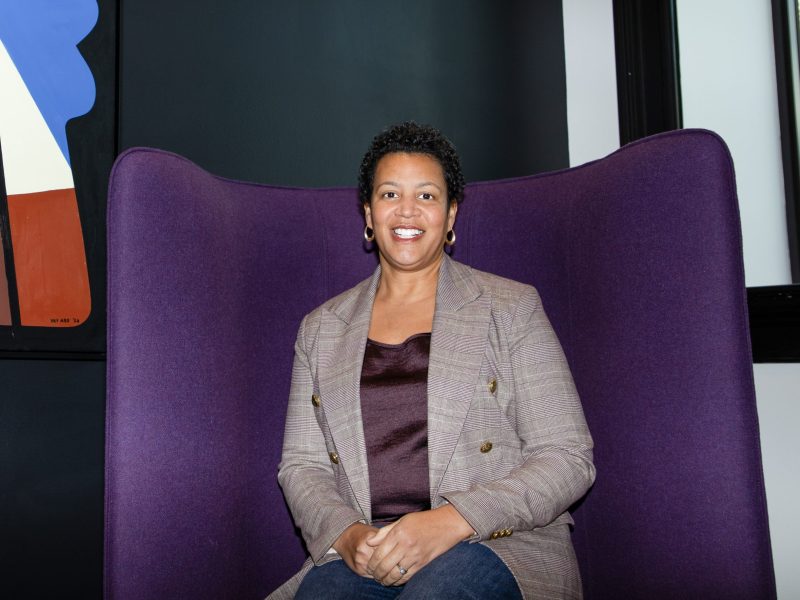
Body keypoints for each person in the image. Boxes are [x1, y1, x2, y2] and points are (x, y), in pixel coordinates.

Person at [268, 122, 595, 600]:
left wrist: (451, 521)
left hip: (494, 543)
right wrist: (349, 536)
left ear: (451, 213)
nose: (406, 211)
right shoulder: (320, 328)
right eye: (389, 194)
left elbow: (567, 458)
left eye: (426, 196)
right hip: (368, 551)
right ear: (368, 211)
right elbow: (301, 466)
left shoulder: (510, 306)